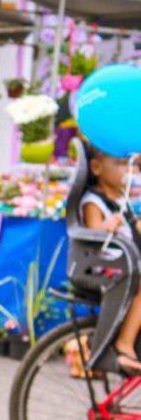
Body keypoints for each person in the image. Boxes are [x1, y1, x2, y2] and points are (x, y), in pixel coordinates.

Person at [79, 142, 141, 374]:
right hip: (108, 266)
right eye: (118, 163)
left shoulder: (122, 201)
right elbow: (93, 233)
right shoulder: (94, 202)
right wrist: (106, 226)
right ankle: (124, 343)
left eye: (127, 164)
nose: (125, 169)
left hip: (126, 261)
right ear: (96, 168)